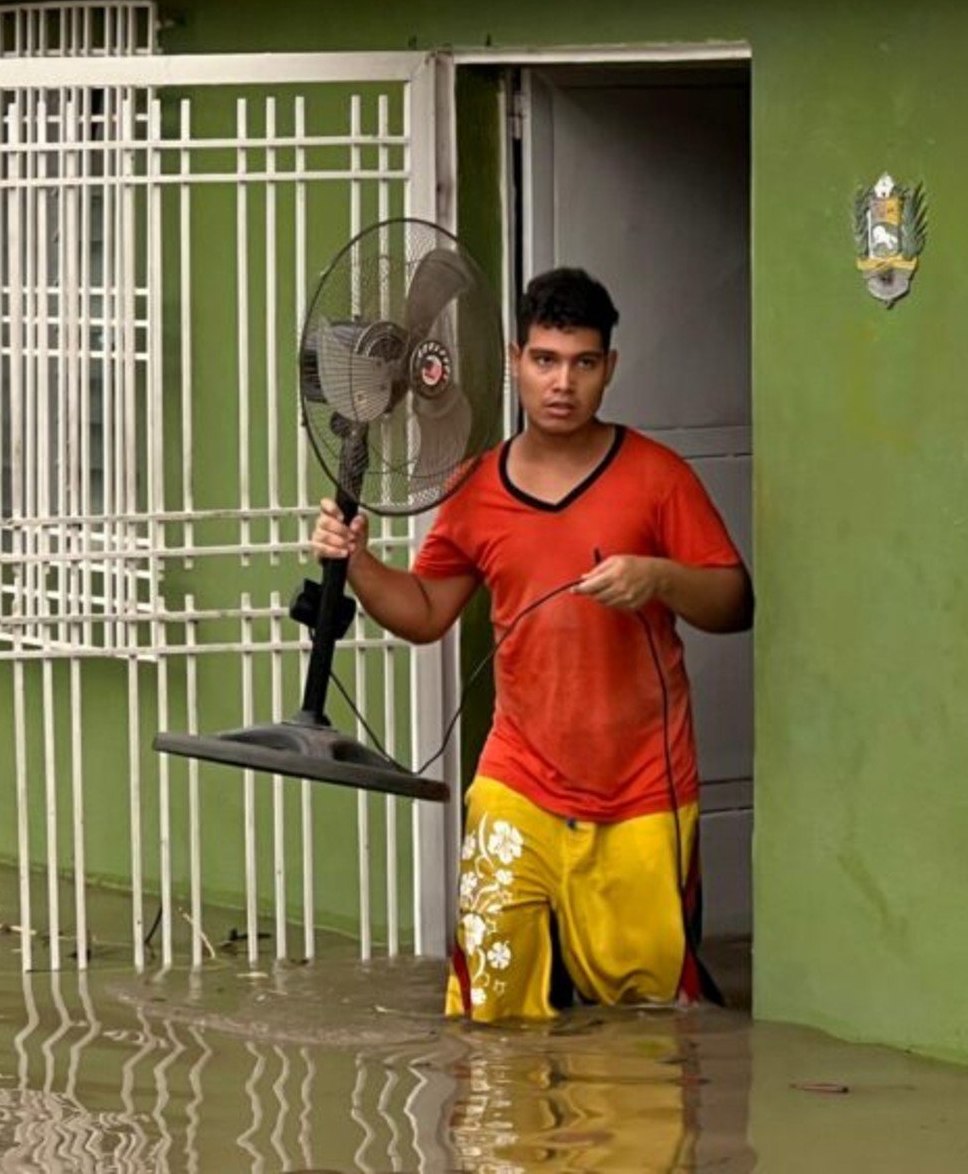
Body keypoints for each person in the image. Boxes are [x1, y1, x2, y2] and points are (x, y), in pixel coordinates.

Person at [311, 267, 752, 1022]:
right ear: (515, 359)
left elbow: (735, 602)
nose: (562, 383)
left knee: (650, 1019)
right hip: (518, 783)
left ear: (610, 368)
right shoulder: (474, 485)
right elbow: (424, 614)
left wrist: (658, 577)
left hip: (644, 789)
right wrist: (358, 563)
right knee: (490, 1007)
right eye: (545, 360)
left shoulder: (658, 478)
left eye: (583, 363)